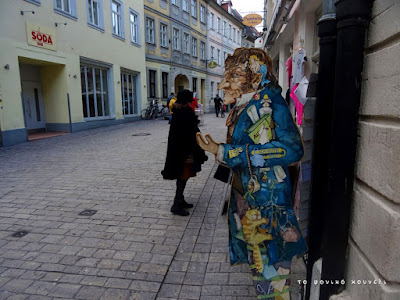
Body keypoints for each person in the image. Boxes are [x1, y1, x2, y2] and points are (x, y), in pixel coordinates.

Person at [196, 48, 306, 299]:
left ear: (256, 76)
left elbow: (292, 149)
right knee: (260, 270)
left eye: (233, 76)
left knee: (273, 277)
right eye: (227, 75)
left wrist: (230, 153)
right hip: (248, 203)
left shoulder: (270, 102)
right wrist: (219, 151)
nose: (224, 83)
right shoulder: (244, 106)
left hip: (268, 207)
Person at [162, 90, 208, 216]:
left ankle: (180, 200)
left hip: (185, 149)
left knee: (185, 175)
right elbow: (184, 134)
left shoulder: (182, 112)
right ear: (185, 100)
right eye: (189, 99)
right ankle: (176, 204)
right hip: (183, 151)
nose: (190, 101)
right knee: (183, 174)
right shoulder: (182, 113)